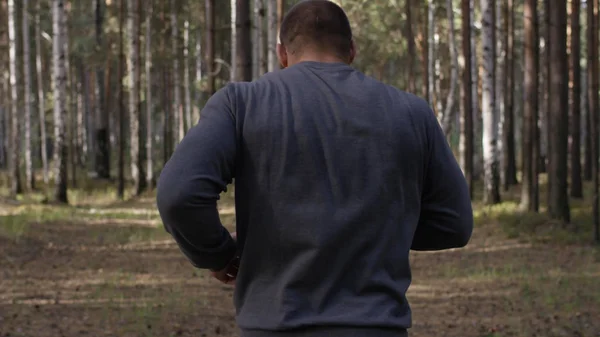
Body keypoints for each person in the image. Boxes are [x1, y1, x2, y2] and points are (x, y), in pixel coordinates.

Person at [156, 1, 473, 336]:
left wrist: (219, 255)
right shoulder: (412, 113)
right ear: (352, 50)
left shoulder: (242, 103)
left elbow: (179, 194)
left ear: (282, 53)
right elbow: (454, 223)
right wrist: (376, 229)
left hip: (274, 328)